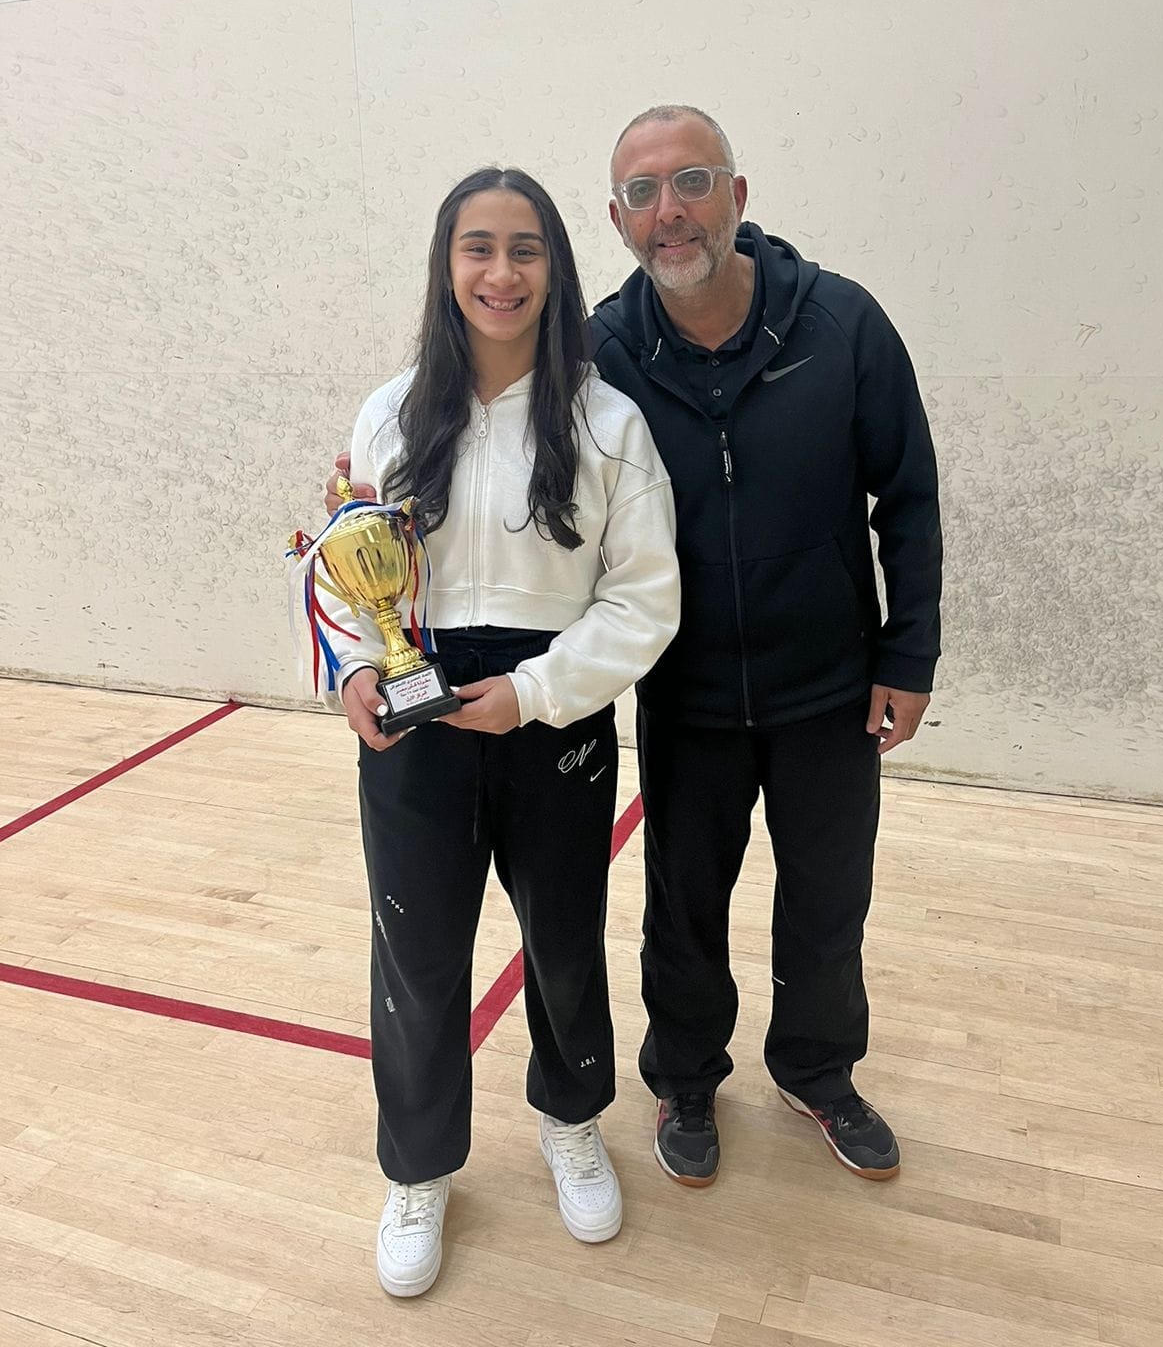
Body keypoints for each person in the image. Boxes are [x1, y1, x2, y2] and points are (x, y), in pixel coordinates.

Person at [329, 106, 941, 1193]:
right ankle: (673, 1085)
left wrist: (910, 652)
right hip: (676, 701)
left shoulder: (829, 328)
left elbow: (907, 496)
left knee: (817, 900)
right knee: (662, 913)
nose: (672, 211)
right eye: (644, 193)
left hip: (813, 685)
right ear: (617, 221)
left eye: (693, 182)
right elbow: (351, 560)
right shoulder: (573, 360)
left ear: (736, 195)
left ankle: (807, 1074)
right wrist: (355, 666)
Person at [308, 166, 679, 1297]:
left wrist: (536, 690)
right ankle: (419, 1168)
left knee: (563, 938)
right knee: (417, 952)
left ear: (555, 269)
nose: (501, 272)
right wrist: (356, 669)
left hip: (550, 716)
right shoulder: (389, 413)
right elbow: (348, 570)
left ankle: (572, 1119)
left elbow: (645, 601)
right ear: (446, 265)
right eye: (479, 247)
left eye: (525, 249)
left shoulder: (609, 423)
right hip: (416, 722)